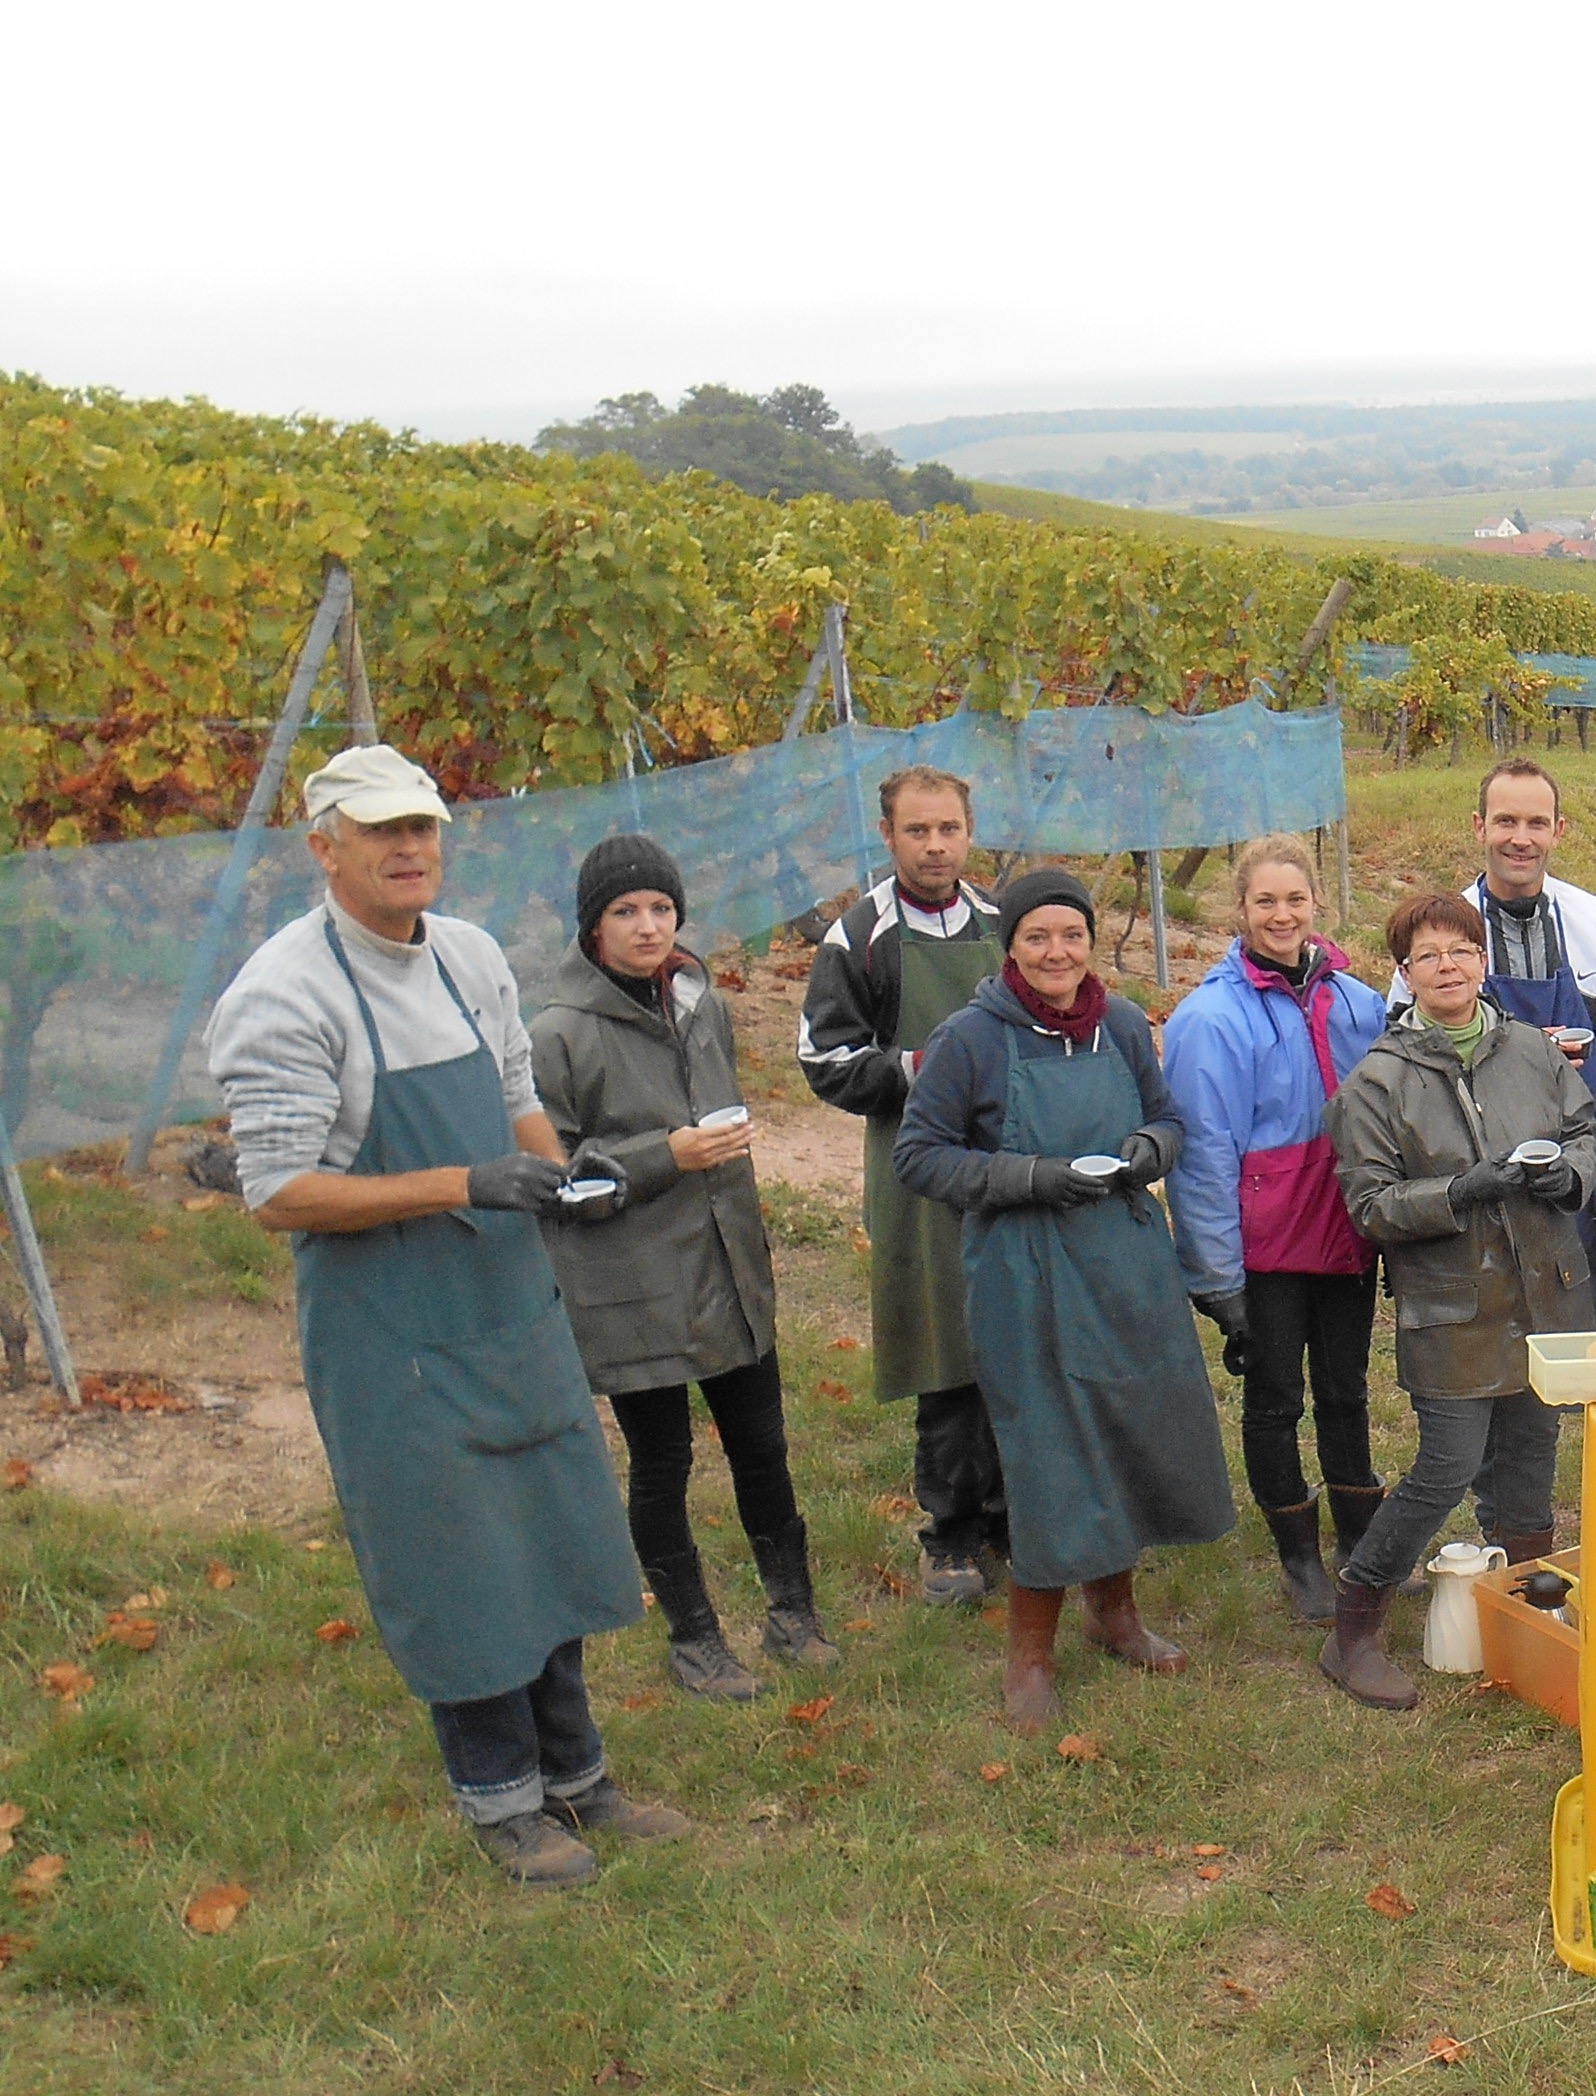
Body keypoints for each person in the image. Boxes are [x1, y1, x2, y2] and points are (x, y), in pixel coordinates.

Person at [205, 744, 683, 1888]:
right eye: (380, 832)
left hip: (507, 1304)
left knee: (551, 1537)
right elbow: (278, 1195)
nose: (409, 848)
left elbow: (516, 1101)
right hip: (394, 1334)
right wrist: (462, 1185)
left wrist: (567, 1182)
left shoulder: (469, 960)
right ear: (325, 849)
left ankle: (579, 1778)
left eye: (421, 826)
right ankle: (500, 1801)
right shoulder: (285, 993)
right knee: (460, 1562)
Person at [892, 869, 1234, 1730]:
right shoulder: (969, 1038)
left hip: (1122, 1263)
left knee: (1126, 1425)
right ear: (1009, 945)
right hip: (1024, 1267)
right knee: (1048, 1450)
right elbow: (920, 1157)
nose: (1057, 952)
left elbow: (1169, 1120)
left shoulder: (1119, 1023)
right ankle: (1030, 1653)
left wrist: (1145, 1151)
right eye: (1038, 937)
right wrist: (1034, 1176)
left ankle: (1114, 1613)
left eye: (1071, 936)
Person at [530, 833, 831, 1701]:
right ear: (592, 929)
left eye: (660, 908)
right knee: (662, 1462)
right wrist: (668, 1155)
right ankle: (694, 1638)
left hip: (729, 1270)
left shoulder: (703, 1003)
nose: (648, 926)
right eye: (625, 912)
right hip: (630, 1287)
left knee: (763, 1450)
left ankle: (793, 1614)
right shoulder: (558, 1035)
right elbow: (555, 1177)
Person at [1321, 892, 1596, 1709]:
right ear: (1404, 975)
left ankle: (1527, 1612)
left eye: (1462, 951)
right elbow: (1370, 1204)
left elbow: (1587, 1134)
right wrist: (1461, 1190)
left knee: (1531, 1458)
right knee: (1445, 1468)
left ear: (1484, 961)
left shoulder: (1530, 1051)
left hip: (1545, 1298)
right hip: (1451, 1309)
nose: (1448, 967)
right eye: (1429, 955)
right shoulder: (1379, 1082)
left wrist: (1570, 1174)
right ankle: (1356, 1624)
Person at [1158, 836, 1389, 1625]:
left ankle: (1364, 1544)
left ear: (1316, 903)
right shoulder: (1210, 1020)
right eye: (1266, 901)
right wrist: (1218, 1279)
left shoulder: (1358, 1003)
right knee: (1274, 1399)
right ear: (1241, 909)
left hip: (1346, 1233)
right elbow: (1202, 1157)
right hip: (1268, 1247)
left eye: (1295, 899)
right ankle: (1298, 1556)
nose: (1282, 914)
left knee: (1347, 1391)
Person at [798, 766, 1007, 1605]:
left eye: (948, 829)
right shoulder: (861, 937)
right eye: (917, 832)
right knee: (944, 1349)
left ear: (968, 830)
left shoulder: (1002, 920)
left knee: (1010, 1345)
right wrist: (921, 1070)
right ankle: (950, 1534)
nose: (934, 846)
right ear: (887, 835)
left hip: (1005, 1165)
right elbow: (825, 1061)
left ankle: (1012, 1517)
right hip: (917, 1172)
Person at [1432, 758, 1596, 1325]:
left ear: (1558, 831)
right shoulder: (1442, 932)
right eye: (1506, 821)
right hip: (1486, 1159)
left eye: (1537, 823)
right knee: (1505, 1339)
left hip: (1595, 1155)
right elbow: (1410, 1059)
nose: (1521, 839)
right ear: (1479, 826)